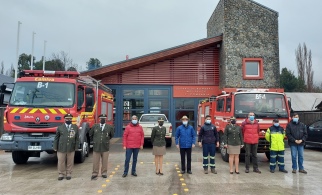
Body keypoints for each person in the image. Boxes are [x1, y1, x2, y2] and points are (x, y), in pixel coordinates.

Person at [53, 113, 79, 180]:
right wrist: (55, 147)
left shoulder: (75, 127)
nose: (68, 120)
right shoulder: (60, 127)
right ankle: (61, 173)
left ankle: (69, 173)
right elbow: (56, 138)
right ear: (64, 119)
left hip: (71, 147)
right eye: (67, 119)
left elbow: (77, 138)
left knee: (70, 161)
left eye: (70, 119)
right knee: (61, 161)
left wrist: (76, 147)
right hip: (61, 147)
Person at [90, 114, 115, 180]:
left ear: (106, 119)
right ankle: (95, 173)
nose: (102, 119)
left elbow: (111, 135)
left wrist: (105, 140)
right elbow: (91, 134)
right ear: (99, 119)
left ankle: (104, 173)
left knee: (105, 161)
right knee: (95, 161)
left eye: (104, 118)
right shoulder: (95, 126)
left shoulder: (109, 127)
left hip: (105, 147)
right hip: (96, 147)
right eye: (101, 118)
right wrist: (95, 141)